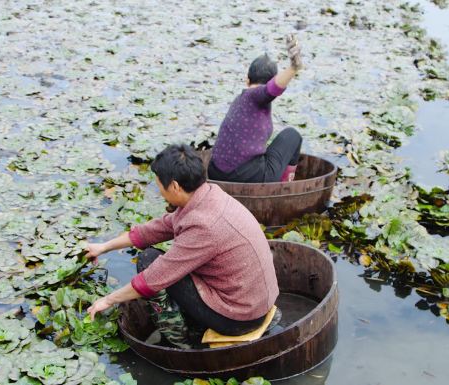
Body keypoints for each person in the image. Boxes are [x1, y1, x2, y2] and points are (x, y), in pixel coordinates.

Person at [84, 144, 279, 348]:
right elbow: (156, 229)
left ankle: (182, 343)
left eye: (159, 186)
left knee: (148, 262)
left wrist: (108, 300)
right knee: (156, 259)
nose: (159, 192)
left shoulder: (204, 225)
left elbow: (154, 278)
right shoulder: (209, 194)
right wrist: (103, 247)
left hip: (240, 318)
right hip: (254, 302)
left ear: (175, 186)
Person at [208, 34, 304, 183]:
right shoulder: (255, 96)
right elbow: (271, 90)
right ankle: (286, 187)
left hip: (215, 172)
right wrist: (293, 69)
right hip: (244, 176)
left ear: (247, 80)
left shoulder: (240, 100)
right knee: (292, 135)